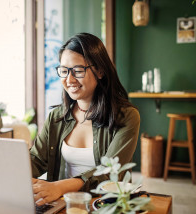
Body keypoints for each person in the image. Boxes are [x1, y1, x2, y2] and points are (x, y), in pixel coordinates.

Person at [30, 33, 140, 206]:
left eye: (78, 70)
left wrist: (59, 187)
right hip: (64, 205)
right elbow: (36, 160)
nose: (69, 79)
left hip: (105, 205)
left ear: (100, 71)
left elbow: (110, 173)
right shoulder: (56, 117)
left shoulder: (127, 116)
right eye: (64, 71)